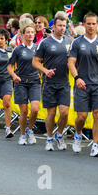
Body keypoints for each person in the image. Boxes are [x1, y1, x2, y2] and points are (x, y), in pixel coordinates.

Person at [68, 13, 98, 157]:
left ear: (97, 24)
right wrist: (77, 78)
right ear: (84, 24)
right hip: (82, 84)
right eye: (89, 24)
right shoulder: (77, 42)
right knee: (81, 116)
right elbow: (71, 63)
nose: (91, 26)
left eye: (94, 24)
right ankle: (78, 134)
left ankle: (95, 145)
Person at [32, 15, 73, 151]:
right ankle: (49, 138)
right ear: (53, 27)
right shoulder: (45, 43)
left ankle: (59, 135)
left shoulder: (70, 41)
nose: (62, 28)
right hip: (49, 83)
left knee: (64, 113)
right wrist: (45, 70)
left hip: (64, 83)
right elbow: (35, 61)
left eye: (64, 25)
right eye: (60, 26)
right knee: (51, 113)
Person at [7, 22, 40, 145]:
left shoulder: (38, 48)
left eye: (32, 32)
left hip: (35, 82)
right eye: (28, 32)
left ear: (34, 34)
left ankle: (29, 130)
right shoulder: (18, 49)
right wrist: (15, 76)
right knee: (24, 111)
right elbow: (9, 67)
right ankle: (22, 135)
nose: (30, 34)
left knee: (35, 109)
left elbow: (43, 63)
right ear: (23, 34)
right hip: (21, 82)